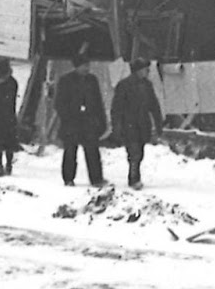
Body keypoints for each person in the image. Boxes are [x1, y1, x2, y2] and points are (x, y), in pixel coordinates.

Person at [110, 57, 164, 188]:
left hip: (143, 123)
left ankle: (135, 176)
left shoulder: (147, 85)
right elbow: (116, 108)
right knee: (134, 152)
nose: (147, 72)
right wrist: (116, 125)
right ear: (138, 70)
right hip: (129, 123)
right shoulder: (124, 85)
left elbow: (154, 105)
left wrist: (158, 123)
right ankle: (134, 179)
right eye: (145, 69)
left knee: (139, 151)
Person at [54, 54, 107, 187]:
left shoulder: (92, 80)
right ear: (76, 66)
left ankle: (96, 179)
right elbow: (59, 103)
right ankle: (68, 178)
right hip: (72, 123)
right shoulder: (66, 80)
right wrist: (67, 117)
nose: (86, 68)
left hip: (89, 122)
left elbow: (98, 102)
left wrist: (101, 121)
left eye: (87, 65)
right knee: (70, 152)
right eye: (84, 66)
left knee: (92, 152)